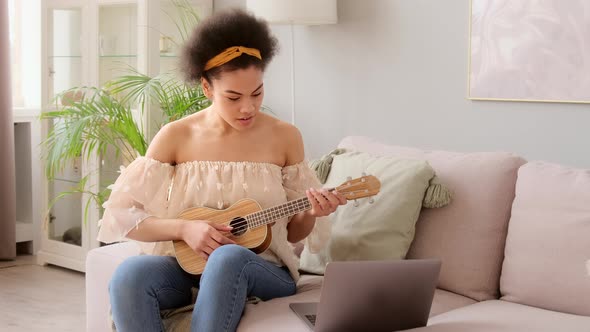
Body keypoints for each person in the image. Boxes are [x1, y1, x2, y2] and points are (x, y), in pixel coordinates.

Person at [97, 8, 346, 332]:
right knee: (129, 275)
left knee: (227, 259)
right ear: (206, 88)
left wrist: (313, 212)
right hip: (188, 268)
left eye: (257, 93)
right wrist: (184, 230)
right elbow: (124, 218)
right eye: (233, 97)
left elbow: (294, 232)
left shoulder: (285, 136)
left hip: (262, 269)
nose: (248, 107)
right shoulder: (176, 135)